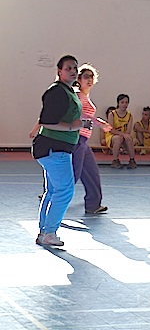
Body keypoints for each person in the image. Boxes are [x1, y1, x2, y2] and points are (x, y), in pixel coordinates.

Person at [31, 55, 92, 246]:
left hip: (57, 148)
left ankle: (45, 231)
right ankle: (49, 232)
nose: (73, 71)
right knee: (65, 190)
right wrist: (72, 127)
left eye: (75, 68)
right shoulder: (57, 92)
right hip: (53, 148)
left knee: (53, 191)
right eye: (68, 68)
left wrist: (79, 124)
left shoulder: (69, 91)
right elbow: (47, 121)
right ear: (59, 71)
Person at [73, 64, 113, 214]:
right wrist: (99, 122)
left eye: (91, 77)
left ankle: (93, 204)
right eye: (85, 77)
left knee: (91, 172)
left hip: (83, 140)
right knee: (73, 175)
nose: (89, 80)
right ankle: (53, 199)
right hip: (77, 139)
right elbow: (79, 114)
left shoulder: (85, 96)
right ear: (79, 79)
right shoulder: (77, 95)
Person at [105, 94, 137, 169]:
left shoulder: (129, 115)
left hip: (123, 135)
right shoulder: (112, 114)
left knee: (129, 138)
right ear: (118, 103)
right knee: (118, 138)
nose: (124, 104)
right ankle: (115, 160)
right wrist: (122, 134)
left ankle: (132, 160)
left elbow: (128, 130)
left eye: (126, 102)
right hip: (112, 136)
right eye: (122, 102)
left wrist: (124, 135)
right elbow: (111, 130)